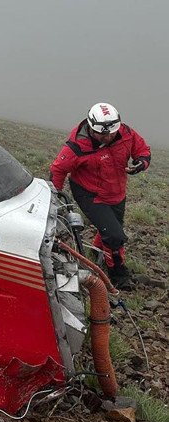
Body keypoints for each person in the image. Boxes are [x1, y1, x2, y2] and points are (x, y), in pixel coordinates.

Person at [51, 102, 150, 290]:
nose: (109, 137)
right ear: (91, 128)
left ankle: (97, 255)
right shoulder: (77, 146)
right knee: (114, 236)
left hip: (117, 193)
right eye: (103, 134)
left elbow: (143, 150)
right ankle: (118, 274)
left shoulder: (126, 133)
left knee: (108, 229)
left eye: (112, 132)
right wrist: (54, 199)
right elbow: (58, 170)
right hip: (90, 194)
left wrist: (140, 163)